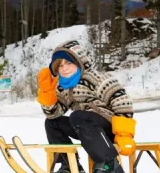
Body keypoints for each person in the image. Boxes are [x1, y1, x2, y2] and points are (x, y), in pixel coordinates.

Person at [37, 40, 136, 173]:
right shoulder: (62, 86)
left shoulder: (95, 78)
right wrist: (47, 94)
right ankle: (69, 165)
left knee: (78, 116)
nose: (64, 68)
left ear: (79, 62)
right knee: (52, 123)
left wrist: (123, 134)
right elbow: (54, 113)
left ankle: (108, 164)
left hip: (109, 127)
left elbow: (121, 100)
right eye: (60, 66)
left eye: (68, 63)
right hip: (85, 128)